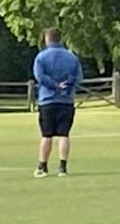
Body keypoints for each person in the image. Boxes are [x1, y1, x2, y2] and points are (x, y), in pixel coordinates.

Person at [33, 28, 83, 178]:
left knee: (46, 135)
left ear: (47, 39)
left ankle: (43, 167)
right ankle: (62, 167)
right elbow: (78, 78)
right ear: (60, 39)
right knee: (64, 134)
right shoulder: (72, 57)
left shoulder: (41, 57)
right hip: (66, 101)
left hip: (48, 100)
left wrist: (54, 85)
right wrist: (66, 86)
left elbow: (40, 77)